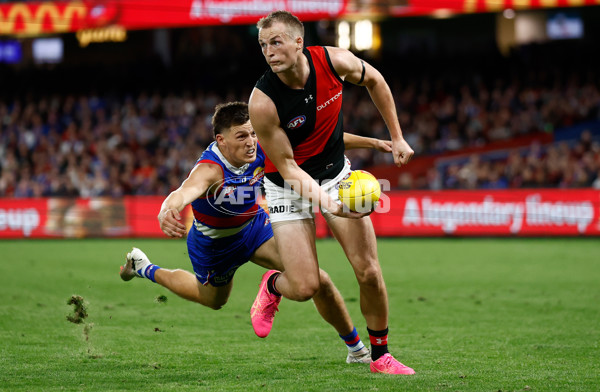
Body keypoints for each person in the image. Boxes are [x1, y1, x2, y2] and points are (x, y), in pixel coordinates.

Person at [119, 101, 393, 364]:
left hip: (255, 228)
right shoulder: (209, 170)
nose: (250, 141)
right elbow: (182, 192)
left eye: (252, 133)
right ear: (221, 140)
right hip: (215, 245)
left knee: (316, 280)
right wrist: (167, 209)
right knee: (212, 301)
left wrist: (374, 142)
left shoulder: (262, 143)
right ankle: (145, 267)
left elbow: (321, 141)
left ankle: (356, 349)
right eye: (241, 136)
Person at [248, 11, 415, 375]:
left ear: (298, 42)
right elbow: (289, 168)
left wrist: (396, 137)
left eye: (275, 42)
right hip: (286, 188)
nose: (269, 51)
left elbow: (376, 81)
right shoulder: (262, 102)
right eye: (263, 45)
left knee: (368, 271)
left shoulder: (334, 61)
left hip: (336, 175)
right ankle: (274, 284)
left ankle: (380, 355)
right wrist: (332, 204)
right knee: (306, 285)